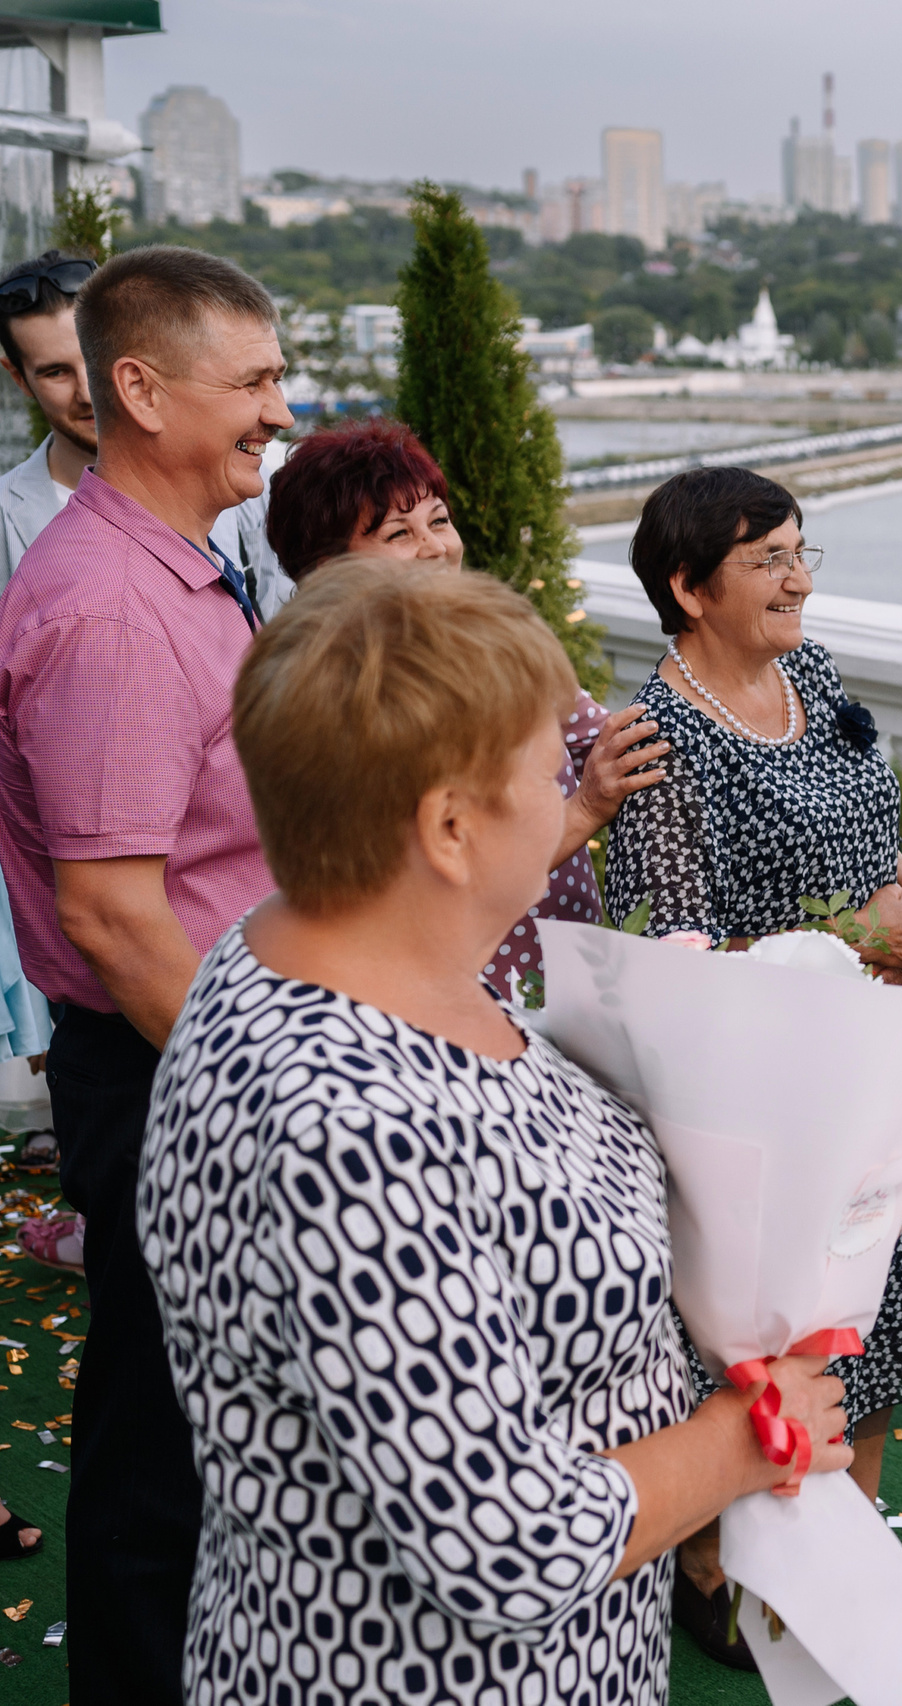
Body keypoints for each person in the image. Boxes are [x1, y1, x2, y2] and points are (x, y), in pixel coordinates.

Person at [139, 559, 851, 1705]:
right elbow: (508, 1542)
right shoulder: (342, 1129)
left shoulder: (324, 946)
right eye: (549, 769)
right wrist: (744, 1438)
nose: (573, 788)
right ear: (452, 826)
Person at [600, 465, 902, 1660]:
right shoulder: (657, 738)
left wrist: (899, 922)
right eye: (766, 560)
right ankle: (715, 1575)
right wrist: (858, 937)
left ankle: (845, 1554)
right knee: (763, 1335)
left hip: (870, 1055)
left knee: (876, 1313)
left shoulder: (810, 671)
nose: (798, 578)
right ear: (686, 587)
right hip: (754, 1083)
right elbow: (667, 955)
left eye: (802, 551)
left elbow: (865, 820)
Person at [0, 245, 293, 1703]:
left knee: (206, 1422)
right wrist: (267, 1093)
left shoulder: (187, 563)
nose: (275, 411)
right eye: (251, 382)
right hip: (166, 1064)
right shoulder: (112, 606)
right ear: (141, 387)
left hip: (201, 1048)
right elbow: (116, 917)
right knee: (163, 1438)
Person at [261, 415, 668, 996]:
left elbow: (595, 736)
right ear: (330, 570)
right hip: (453, 998)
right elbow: (435, 876)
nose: (436, 549)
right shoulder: (338, 695)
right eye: (400, 535)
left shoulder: (486, 642)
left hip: (564, 977)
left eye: (440, 521)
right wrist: (584, 808)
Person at [0, 249, 287, 603]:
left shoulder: (245, 489)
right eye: (55, 372)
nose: (88, 392)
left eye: (94, 360)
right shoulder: (4, 523)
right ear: (19, 378)